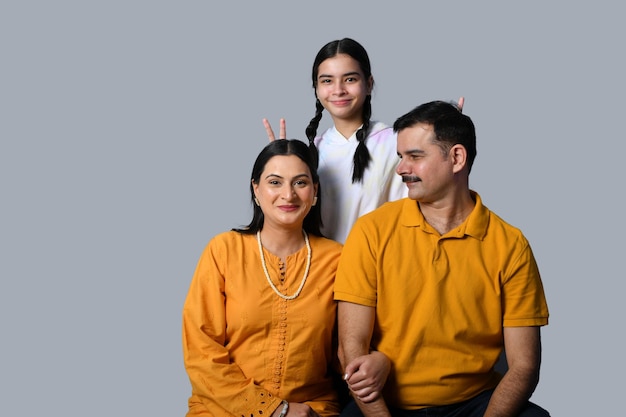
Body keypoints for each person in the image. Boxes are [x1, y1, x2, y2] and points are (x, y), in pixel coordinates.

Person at [334, 101, 550, 416]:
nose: (401, 169)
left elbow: (524, 366)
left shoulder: (511, 245)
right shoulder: (371, 231)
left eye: (415, 157)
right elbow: (350, 349)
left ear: (457, 158)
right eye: (400, 157)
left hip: (475, 404)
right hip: (387, 405)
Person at [182, 139, 346, 417]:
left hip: (311, 410)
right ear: (256, 189)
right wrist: (274, 410)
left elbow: (346, 349)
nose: (288, 195)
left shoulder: (337, 259)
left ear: (314, 191)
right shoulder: (223, 250)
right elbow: (201, 352)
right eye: (275, 182)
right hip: (222, 408)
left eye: (300, 183)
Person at [263, 38, 463, 243]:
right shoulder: (313, 151)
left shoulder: (396, 142)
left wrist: (442, 147)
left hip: (381, 266)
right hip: (323, 269)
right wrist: (281, 163)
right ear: (316, 88)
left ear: (368, 84)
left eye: (350, 79)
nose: (338, 90)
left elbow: (426, 204)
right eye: (327, 80)